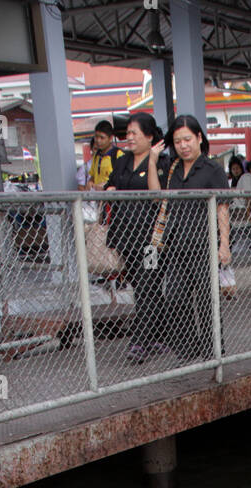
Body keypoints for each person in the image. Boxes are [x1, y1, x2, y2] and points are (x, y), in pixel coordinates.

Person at [162, 114, 231, 362]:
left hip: (205, 246)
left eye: (187, 139)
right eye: (178, 141)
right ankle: (189, 349)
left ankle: (214, 350)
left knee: (206, 301)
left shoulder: (213, 170)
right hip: (177, 246)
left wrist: (224, 245)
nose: (183, 145)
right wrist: (151, 160)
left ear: (199, 138)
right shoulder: (173, 169)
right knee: (175, 297)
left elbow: (223, 209)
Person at [104, 113, 166, 362]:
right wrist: (108, 189)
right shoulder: (122, 161)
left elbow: (156, 194)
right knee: (142, 286)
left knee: (147, 286)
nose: (128, 138)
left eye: (134, 133)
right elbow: (111, 184)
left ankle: (139, 342)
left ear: (149, 136)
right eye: (127, 133)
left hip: (151, 239)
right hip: (125, 235)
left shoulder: (162, 161)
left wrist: (152, 160)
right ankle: (160, 336)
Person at [88, 120, 121, 189]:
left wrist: (107, 185)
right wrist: (90, 182)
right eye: (96, 137)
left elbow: (123, 179)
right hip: (99, 198)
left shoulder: (118, 155)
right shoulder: (96, 155)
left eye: (102, 138)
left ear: (111, 138)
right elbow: (93, 176)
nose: (98, 140)